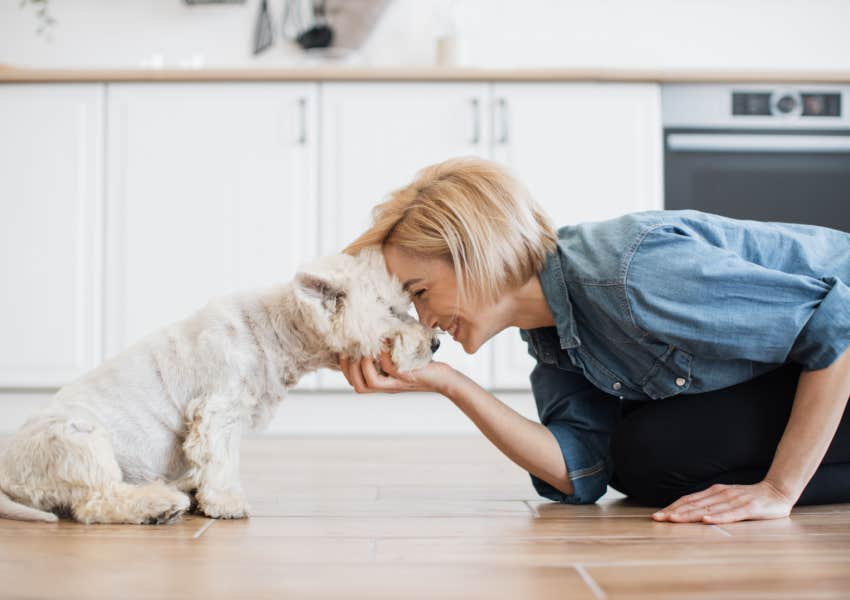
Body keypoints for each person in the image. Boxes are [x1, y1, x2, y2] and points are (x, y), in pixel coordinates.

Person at [339, 157, 850, 524]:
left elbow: (834, 328)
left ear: (477, 254)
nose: (425, 320)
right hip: (819, 361)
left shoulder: (630, 277)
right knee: (644, 464)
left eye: (422, 292)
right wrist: (448, 383)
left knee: (658, 445)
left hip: (840, 347)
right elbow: (580, 468)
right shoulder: (551, 336)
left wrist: (778, 490)